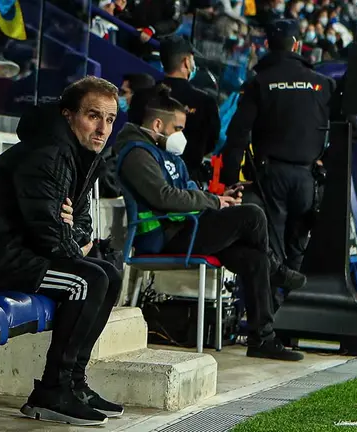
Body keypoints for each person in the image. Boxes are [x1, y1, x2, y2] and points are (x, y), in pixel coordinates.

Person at [0, 76, 124, 426]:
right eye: (93, 116)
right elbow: (51, 234)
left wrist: (73, 233)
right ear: (68, 114)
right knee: (88, 281)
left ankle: (74, 383)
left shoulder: (81, 156)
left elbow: (80, 223)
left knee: (109, 274)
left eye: (110, 119)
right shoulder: (49, 153)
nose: (102, 128)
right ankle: (53, 389)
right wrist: (73, 237)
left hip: (19, 254)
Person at [115, 84, 307, 361]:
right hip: (166, 237)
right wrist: (214, 202)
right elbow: (164, 197)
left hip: (189, 229)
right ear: (158, 125)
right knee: (252, 215)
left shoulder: (166, 154)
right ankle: (277, 270)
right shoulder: (136, 153)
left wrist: (219, 197)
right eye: (178, 128)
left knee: (255, 260)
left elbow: (189, 190)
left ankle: (262, 339)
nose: (182, 135)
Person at [221, 19, 335, 273]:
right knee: (297, 249)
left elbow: (238, 134)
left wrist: (230, 179)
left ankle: (272, 296)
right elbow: (351, 130)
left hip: (270, 178)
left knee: (271, 249)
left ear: (268, 44)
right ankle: (293, 294)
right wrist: (325, 163)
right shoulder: (324, 84)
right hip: (308, 178)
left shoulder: (259, 83)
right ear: (296, 45)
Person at [159, 36, 221, 183]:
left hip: (149, 173)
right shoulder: (205, 102)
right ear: (186, 62)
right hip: (187, 179)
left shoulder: (145, 95)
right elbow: (212, 142)